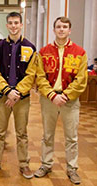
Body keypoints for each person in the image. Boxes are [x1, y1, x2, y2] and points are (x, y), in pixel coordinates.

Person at [34, 17, 88, 185]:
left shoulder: (80, 52)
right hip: (49, 99)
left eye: (65, 27)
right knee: (47, 135)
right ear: (54, 29)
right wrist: (51, 95)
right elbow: (40, 76)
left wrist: (65, 95)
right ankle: (46, 164)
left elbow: (81, 79)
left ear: (69, 30)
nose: (62, 29)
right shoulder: (44, 51)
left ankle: (72, 168)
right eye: (58, 26)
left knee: (71, 137)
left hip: (69, 100)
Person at [0, 12, 37, 179]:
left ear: (21, 25)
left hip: (22, 99)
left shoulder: (30, 47)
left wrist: (17, 92)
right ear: (6, 25)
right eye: (10, 23)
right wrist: (8, 91)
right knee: (0, 132)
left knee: (22, 133)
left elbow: (31, 74)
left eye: (16, 23)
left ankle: (24, 164)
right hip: (2, 97)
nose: (14, 26)